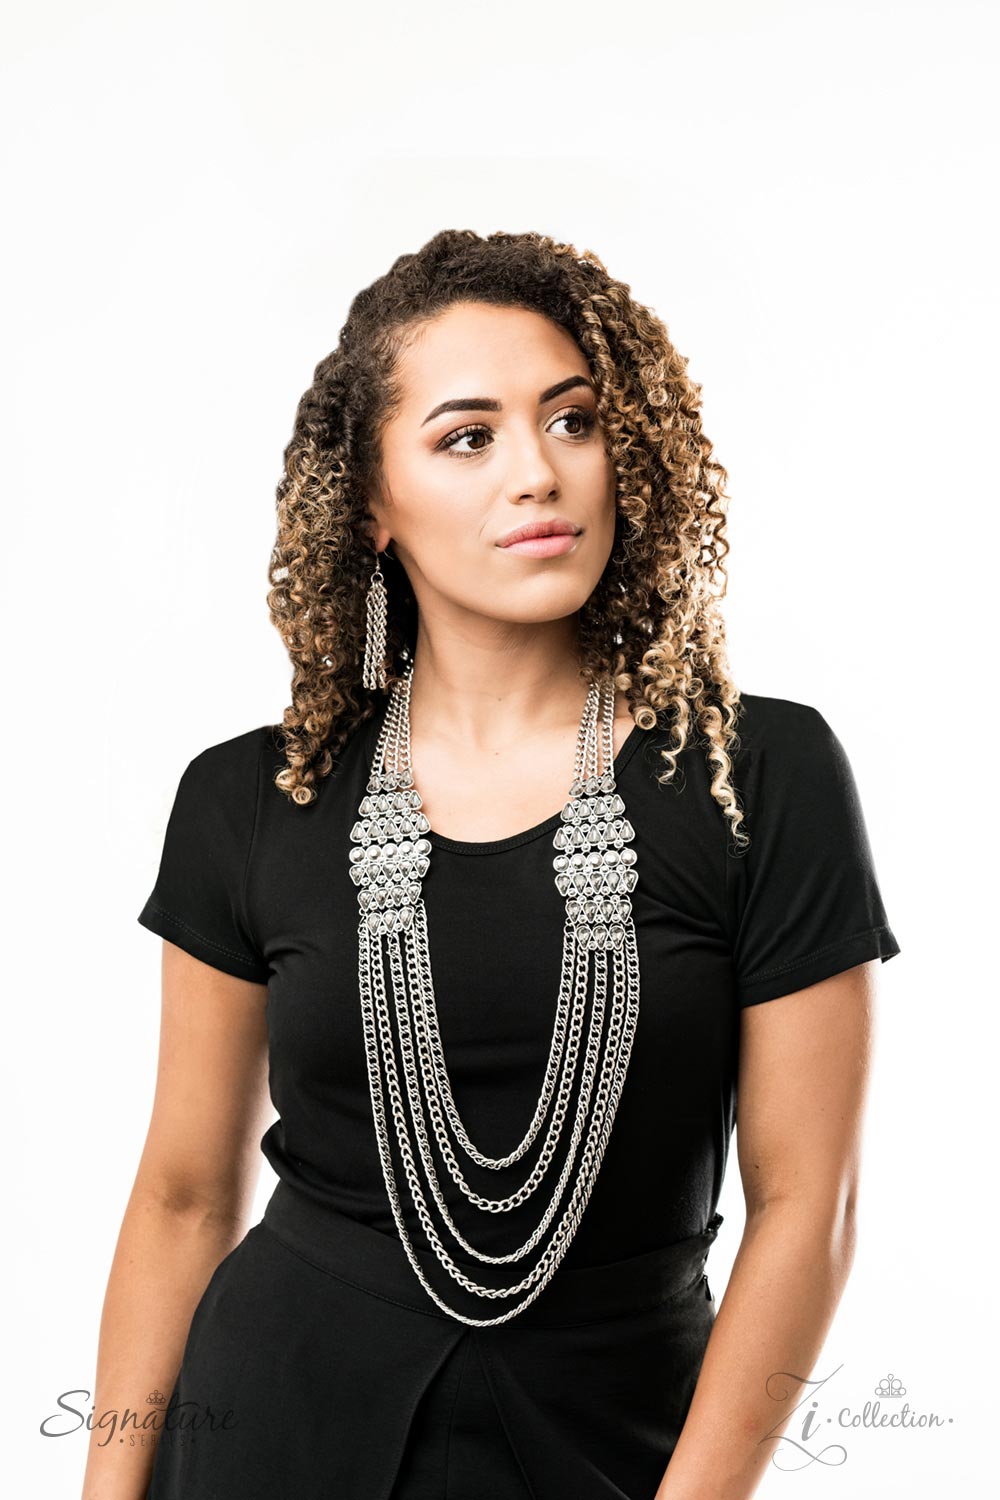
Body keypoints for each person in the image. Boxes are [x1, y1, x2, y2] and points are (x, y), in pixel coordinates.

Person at [82, 229, 900, 1500]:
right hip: (272, 1429)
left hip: (620, 1445)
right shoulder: (250, 799)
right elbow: (184, 1197)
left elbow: (809, 1207)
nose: (538, 472)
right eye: (467, 437)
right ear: (370, 502)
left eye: (573, 421)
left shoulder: (758, 776)